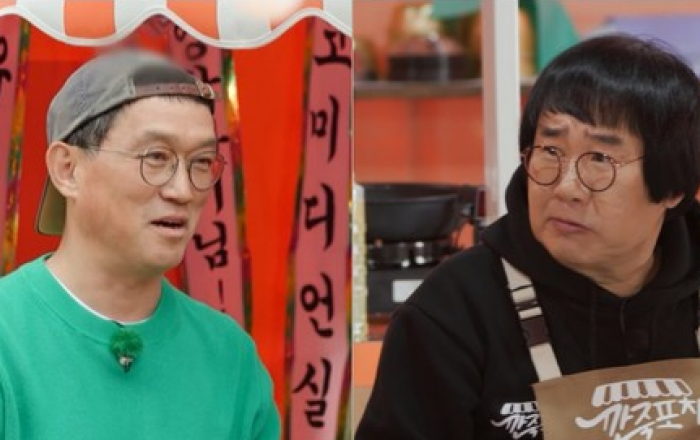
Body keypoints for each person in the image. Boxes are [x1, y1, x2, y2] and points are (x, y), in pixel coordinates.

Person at [356, 34, 700, 439]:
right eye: (550, 151)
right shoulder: (453, 310)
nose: (566, 188)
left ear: (673, 187)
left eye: (600, 158)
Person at [0, 50, 280, 439]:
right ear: (68, 169)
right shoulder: (9, 335)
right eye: (156, 157)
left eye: (201, 162)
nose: (183, 190)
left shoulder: (229, 354)